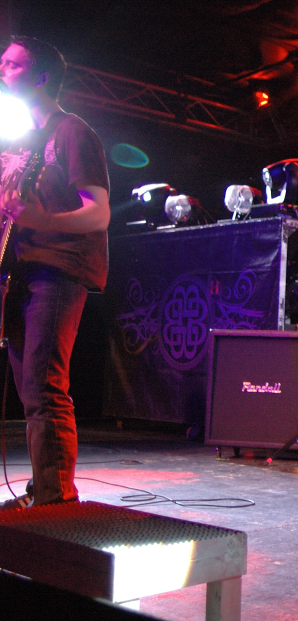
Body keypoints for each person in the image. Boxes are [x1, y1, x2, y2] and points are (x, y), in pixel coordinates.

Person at [0, 36, 110, 509]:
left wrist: (42, 220)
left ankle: (56, 501)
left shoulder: (72, 132)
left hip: (59, 269)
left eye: (13, 64)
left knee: (44, 386)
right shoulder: (21, 140)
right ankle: (43, 490)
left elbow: (100, 213)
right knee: (31, 391)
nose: (2, 69)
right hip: (20, 270)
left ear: (41, 76)